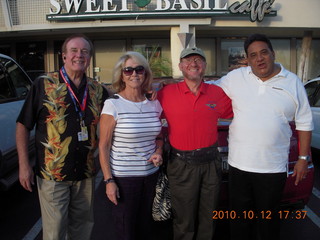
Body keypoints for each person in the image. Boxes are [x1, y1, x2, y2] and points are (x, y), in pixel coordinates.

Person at [215, 33, 313, 240]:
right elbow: (206, 91)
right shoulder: (236, 78)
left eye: (263, 53)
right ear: (247, 60)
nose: (259, 59)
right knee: (239, 222)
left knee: (268, 223)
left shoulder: (292, 82)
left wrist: (303, 159)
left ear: (272, 54)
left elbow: (304, 121)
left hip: (272, 169)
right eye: (253, 55)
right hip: (239, 166)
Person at [16, 34, 109, 240]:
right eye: (74, 51)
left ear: (89, 57)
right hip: (53, 174)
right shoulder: (43, 84)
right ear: (64, 56)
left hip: (86, 173)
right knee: (55, 232)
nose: (79, 55)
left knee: (82, 229)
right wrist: (24, 165)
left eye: (84, 51)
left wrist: (149, 93)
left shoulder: (97, 90)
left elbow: (121, 106)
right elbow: (23, 125)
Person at [157, 47, 233, 240]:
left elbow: (240, 112)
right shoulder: (166, 93)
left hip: (211, 163)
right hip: (181, 164)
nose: (194, 64)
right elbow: (148, 117)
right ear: (181, 66)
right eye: (188, 60)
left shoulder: (217, 93)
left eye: (199, 60)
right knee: (184, 219)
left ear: (205, 66)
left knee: (209, 217)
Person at [99, 51, 163, 240]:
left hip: (151, 176)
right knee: (126, 231)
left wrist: (159, 151)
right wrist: (109, 181)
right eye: (128, 70)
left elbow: (159, 136)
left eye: (139, 69)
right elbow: (103, 146)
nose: (134, 74)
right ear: (121, 75)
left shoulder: (154, 103)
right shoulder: (113, 105)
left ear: (145, 73)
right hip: (124, 180)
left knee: (147, 229)